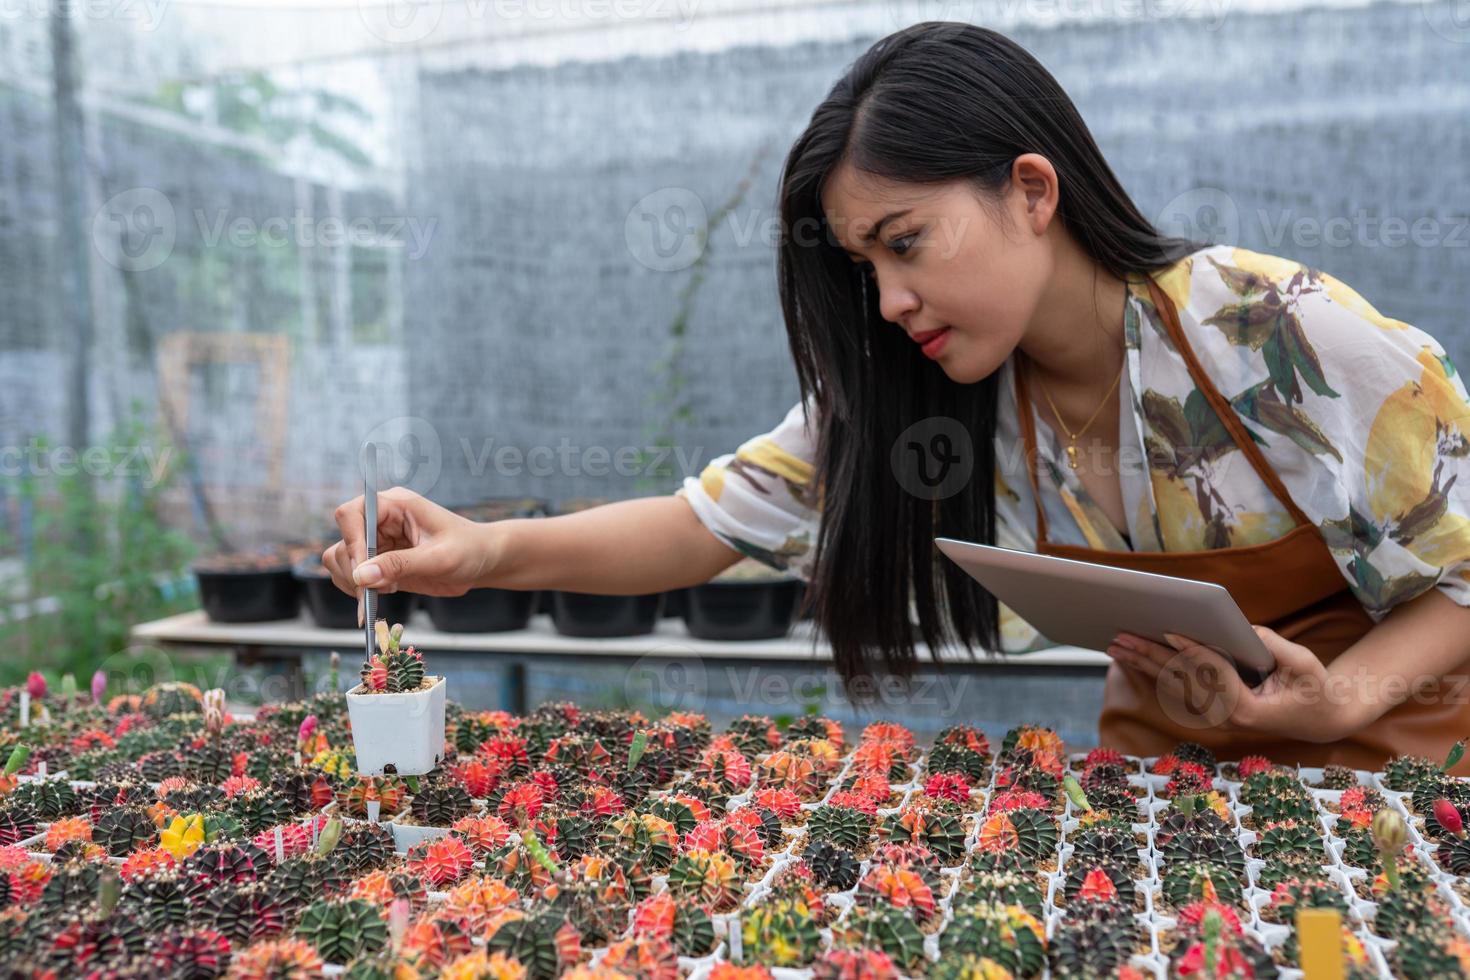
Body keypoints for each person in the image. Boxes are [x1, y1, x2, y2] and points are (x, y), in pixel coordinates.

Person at [324, 22, 1470, 773]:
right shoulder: (932, 395)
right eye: (865, 267)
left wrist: (1336, 700)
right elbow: (702, 521)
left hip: (1389, 779)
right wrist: (479, 551)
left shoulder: (1266, 328)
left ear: (1031, 189)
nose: (888, 302)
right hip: (1165, 801)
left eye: (906, 242)